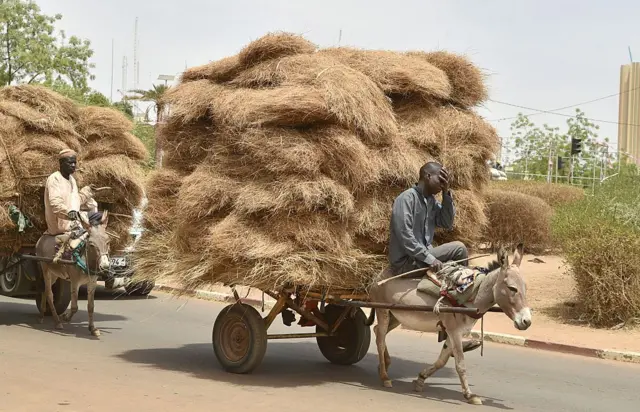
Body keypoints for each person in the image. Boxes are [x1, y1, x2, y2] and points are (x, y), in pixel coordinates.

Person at [388, 161, 481, 353]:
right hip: (406, 262)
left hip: (421, 257)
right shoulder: (405, 199)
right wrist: (431, 260)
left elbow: (447, 222)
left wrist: (447, 194)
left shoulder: (430, 201)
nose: (443, 182)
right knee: (459, 249)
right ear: (427, 176)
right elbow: (406, 237)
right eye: (441, 178)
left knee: (458, 251)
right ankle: (457, 323)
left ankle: (453, 318)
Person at [44, 149, 98, 262]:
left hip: (74, 223)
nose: (73, 165)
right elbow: (56, 204)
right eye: (70, 163)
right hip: (60, 226)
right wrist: (69, 213)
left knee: (98, 217)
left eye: (74, 162)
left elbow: (75, 200)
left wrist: (87, 192)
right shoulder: (54, 179)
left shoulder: (72, 180)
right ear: (61, 164)